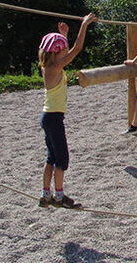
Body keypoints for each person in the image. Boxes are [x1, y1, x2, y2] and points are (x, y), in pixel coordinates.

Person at [37, 14, 96, 209]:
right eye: (62, 49)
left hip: (49, 117)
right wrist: (84, 24)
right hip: (54, 118)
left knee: (51, 157)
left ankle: (46, 194)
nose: (66, 52)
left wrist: (63, 36)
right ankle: (59, 196)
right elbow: (77, 50)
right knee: (62, 159)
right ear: (56, 53)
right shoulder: (55, 67)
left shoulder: (48, 66)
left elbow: (67, 53)